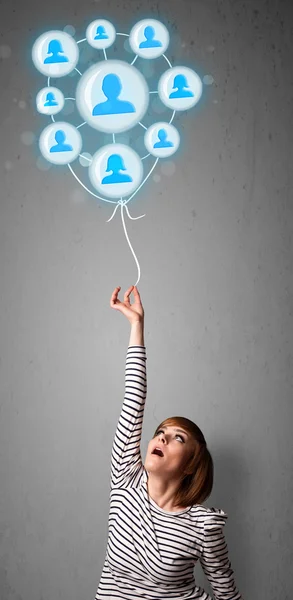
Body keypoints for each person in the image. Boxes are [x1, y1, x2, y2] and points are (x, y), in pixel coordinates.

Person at [94, 286, 243, 600]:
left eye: (178, 438)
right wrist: (137, 326)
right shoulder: (126, 479)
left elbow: (226, 591)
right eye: (160, 431)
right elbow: (134, 401)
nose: (161, 436)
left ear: (191, 464)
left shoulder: (203, 525)